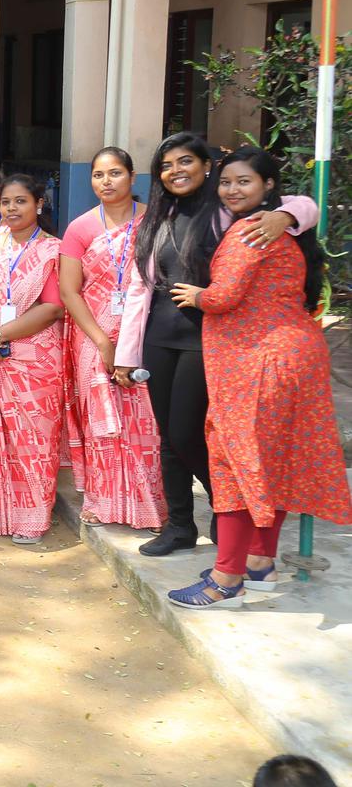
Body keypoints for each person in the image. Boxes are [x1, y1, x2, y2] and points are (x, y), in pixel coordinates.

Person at [163, 147, 351, 609]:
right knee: (272, 463)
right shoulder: (284, 229)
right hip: (295, 355)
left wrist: (200, 295)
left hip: (259, 361)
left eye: (244, 181)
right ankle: (259, 564)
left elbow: (226, 296)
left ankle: (226, 580)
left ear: (268, 185)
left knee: (235, 463)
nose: (232, 190)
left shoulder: (251, 230)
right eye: (226, 182)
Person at [115, 133, 315, 557]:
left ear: (207, 166)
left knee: (193, 435)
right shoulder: (156, 218)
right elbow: (139, 289)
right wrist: (126, 355)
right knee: (168, 438)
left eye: (185, 161)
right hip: (159, 341)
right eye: (167, 165)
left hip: (209, 340)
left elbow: (305, 205)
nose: (176, 171)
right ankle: (180, 526)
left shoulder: (226, 210)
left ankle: (231, 510)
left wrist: (286, 217)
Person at [57, 148, 167, 530]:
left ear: (133, 177)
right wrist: (103, 341)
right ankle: (101, 500)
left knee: (145, 421)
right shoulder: (81, 228)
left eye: (115, 173)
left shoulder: (154, 221)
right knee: (102, 421)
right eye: (99, 175)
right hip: (93, 332)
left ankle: (150, 506)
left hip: (144, 328)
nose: (106, 181)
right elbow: (70, 291)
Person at [0, 174, 66, 543]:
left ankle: (30, 518)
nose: (12, 209)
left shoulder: (53, 250)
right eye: (6, 202)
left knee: (33, 441)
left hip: (35, 360)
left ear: (39, 205)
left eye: (21, 201)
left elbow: (52, 308)